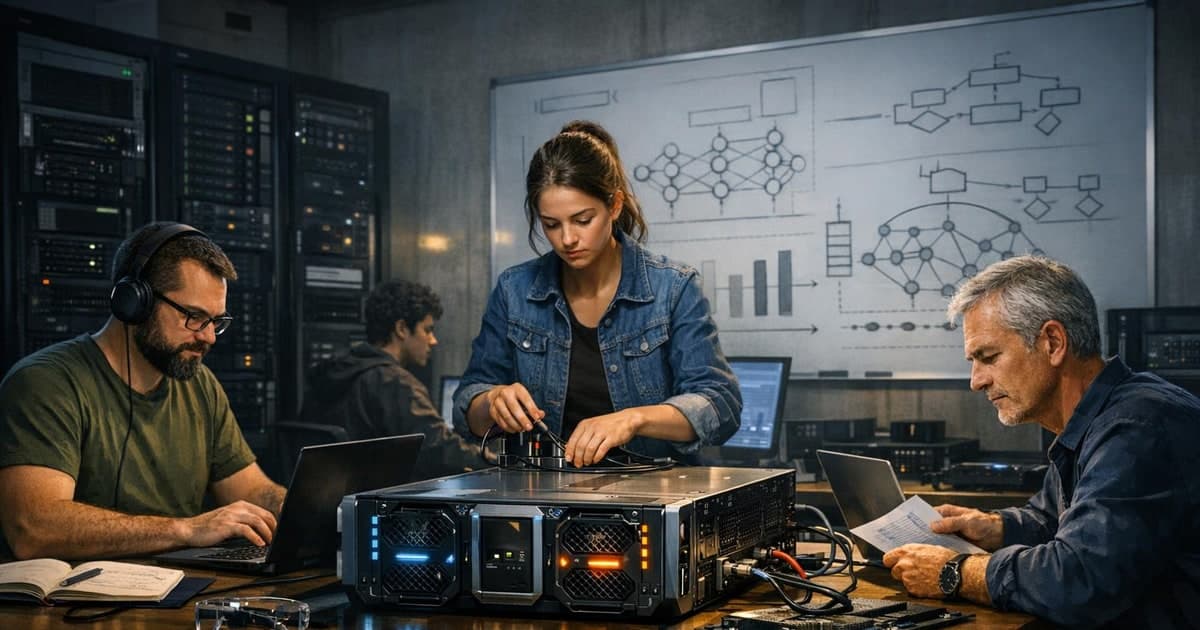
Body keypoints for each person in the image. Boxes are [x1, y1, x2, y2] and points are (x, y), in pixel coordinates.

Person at [883, 255, 1200, 628]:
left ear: (1052, 342)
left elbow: (1081, 578)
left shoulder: (1137, 427)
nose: (976, 380)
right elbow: (1054, 519)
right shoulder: (1091, 419)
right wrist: (993, 526)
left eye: (988, 357)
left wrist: (956, 571)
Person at [454, 120, 742, 467]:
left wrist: (635, 419)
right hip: (543, 497)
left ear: (615, 205)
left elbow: (721, 405)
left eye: (582, 219)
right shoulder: (514, 290)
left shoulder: (673, 288)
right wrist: (491, 401)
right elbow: (465, 409)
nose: (567, 239)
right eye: (551, 224)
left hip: (650, 496)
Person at [0, 222, 285, 561]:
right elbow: (34, 529)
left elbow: (251, 489)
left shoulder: (200, 385)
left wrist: (310, 507)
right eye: (194, 317)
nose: (208, 337)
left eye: (216, 321)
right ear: (135, 302)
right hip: (74, 606)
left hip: (181, 593)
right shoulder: (45, 383)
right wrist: (186, 529)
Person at [300, 280, 482, 479]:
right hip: (374, 502)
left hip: (329, 499)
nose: (433, 340)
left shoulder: (329, 373)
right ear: (402, 328)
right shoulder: (394, 383)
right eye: (427, 330)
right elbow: (439, 450)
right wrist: (495, 460)